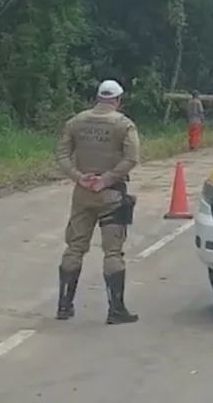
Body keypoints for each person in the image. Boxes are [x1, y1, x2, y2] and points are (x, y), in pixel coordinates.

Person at [54, 79, 141, 323]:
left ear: (97, 97)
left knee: (74, 247)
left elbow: (61, 154)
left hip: (82, 195)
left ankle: (64, 305)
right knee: (113, 251)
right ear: (118, 99)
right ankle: (116, 309)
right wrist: (107, 178)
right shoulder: (124, 125)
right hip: (111, 194)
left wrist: (79, 177)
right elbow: (132, 158)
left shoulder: (76, 121)